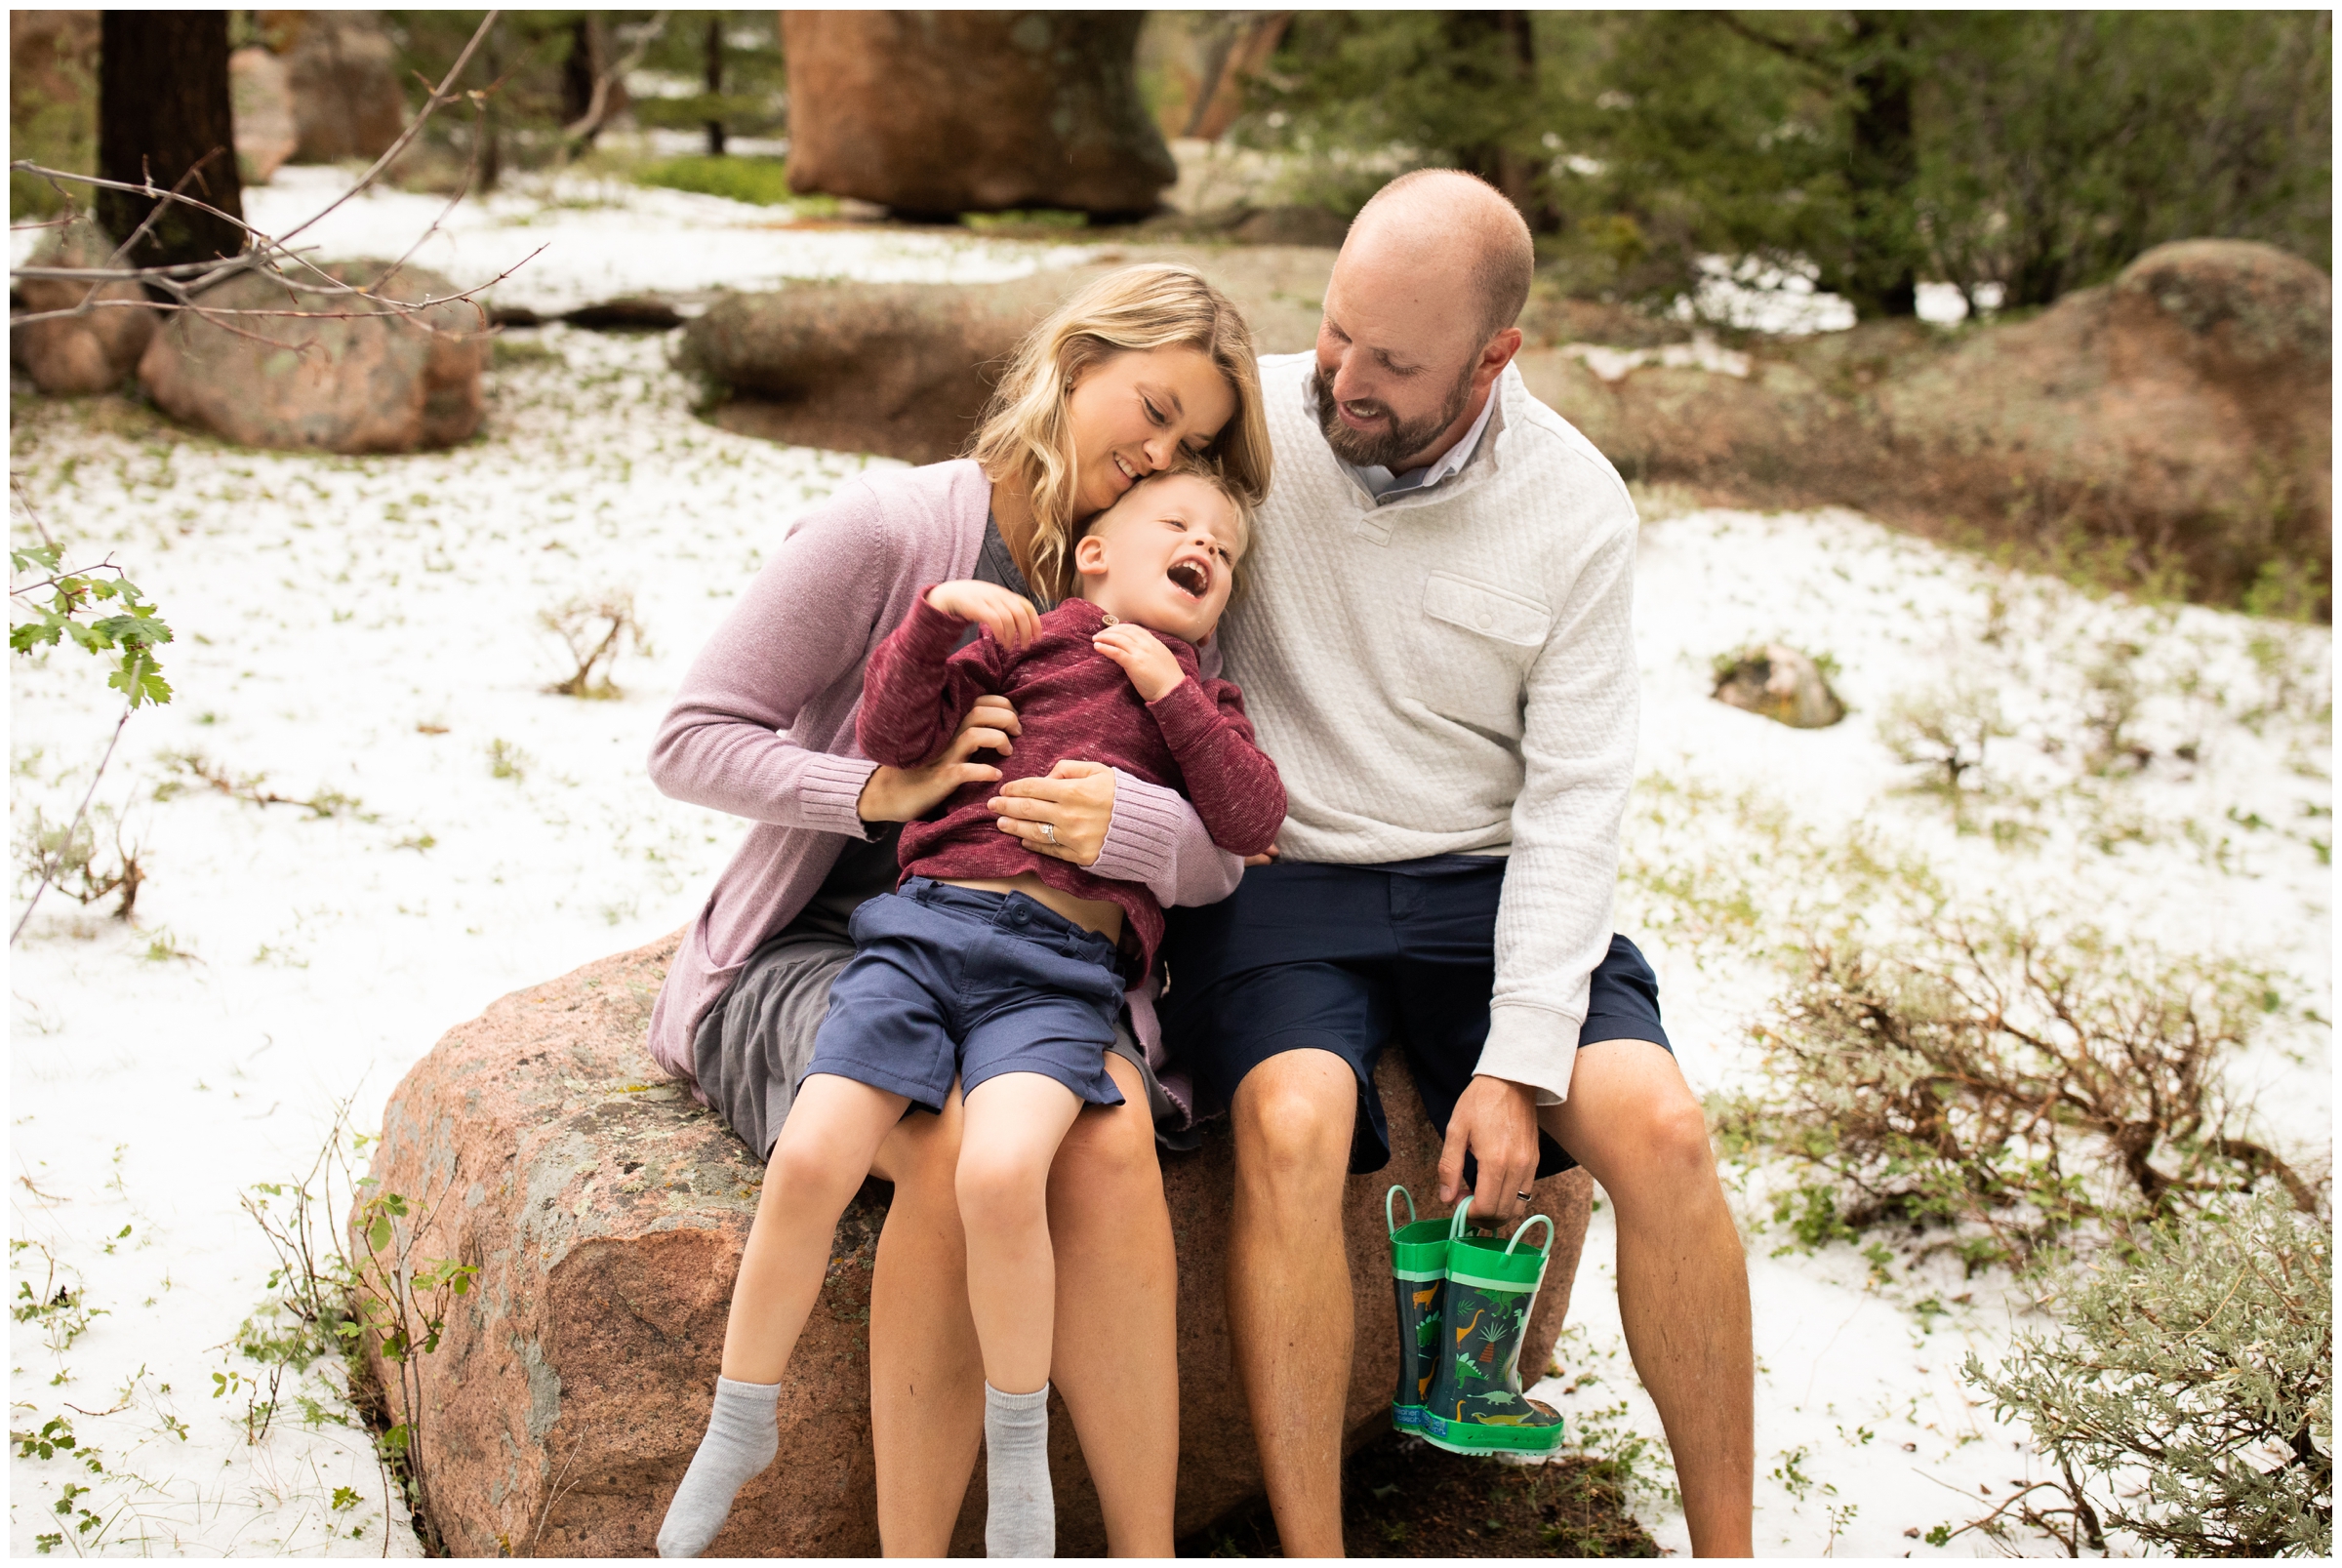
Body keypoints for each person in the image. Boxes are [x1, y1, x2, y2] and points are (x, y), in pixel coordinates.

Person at [1159, 169, 1756, 1555]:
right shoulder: (1254, 423)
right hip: (1284, 879)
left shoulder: (1577, 511)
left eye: (1395, 363)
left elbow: (1576, 802)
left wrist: (1515, 1065)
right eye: (1338, 329)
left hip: (1488, 888)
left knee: (1663, 1134)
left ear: (1497, 359)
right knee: (1296, 1129)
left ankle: (1731, 1547)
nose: (1342, 378)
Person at [643, 265, 1268, 1556]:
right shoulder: (892, 528)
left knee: (1100, 1144)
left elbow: (1221, 844)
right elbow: (688, 741)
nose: (1156, 455)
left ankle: (1143, 1549)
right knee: (950, 1139)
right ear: (1075, 359)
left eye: (1191, 442)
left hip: (1037, 958)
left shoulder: (1156, 578)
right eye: (1150, 408)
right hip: (831, 947)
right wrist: (885, 788)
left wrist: (1128, 829)